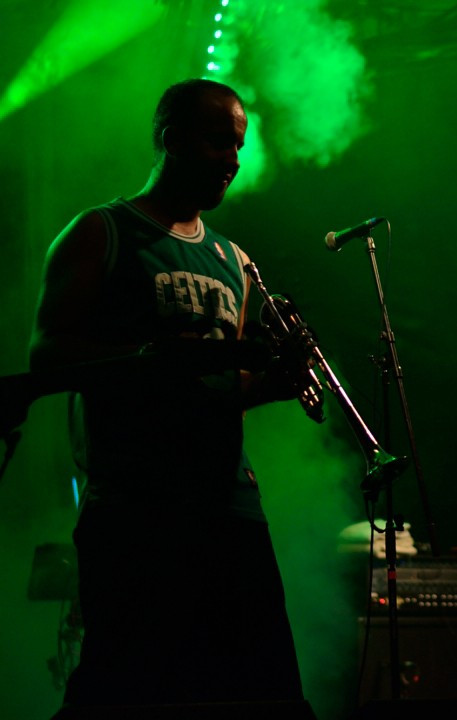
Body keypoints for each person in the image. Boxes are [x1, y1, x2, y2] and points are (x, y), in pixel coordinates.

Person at [29, 79, 312, 715]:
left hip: (229, 504)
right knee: (125, 686)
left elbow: (221, 390)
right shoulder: (100, 232)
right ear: (169, 138)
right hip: (136, 507)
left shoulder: (234, 259)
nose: (233, 159)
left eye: (238, 145)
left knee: (267, 688)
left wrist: (274, 383)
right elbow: (45, 359)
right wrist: (144, 363)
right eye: (218, 142)